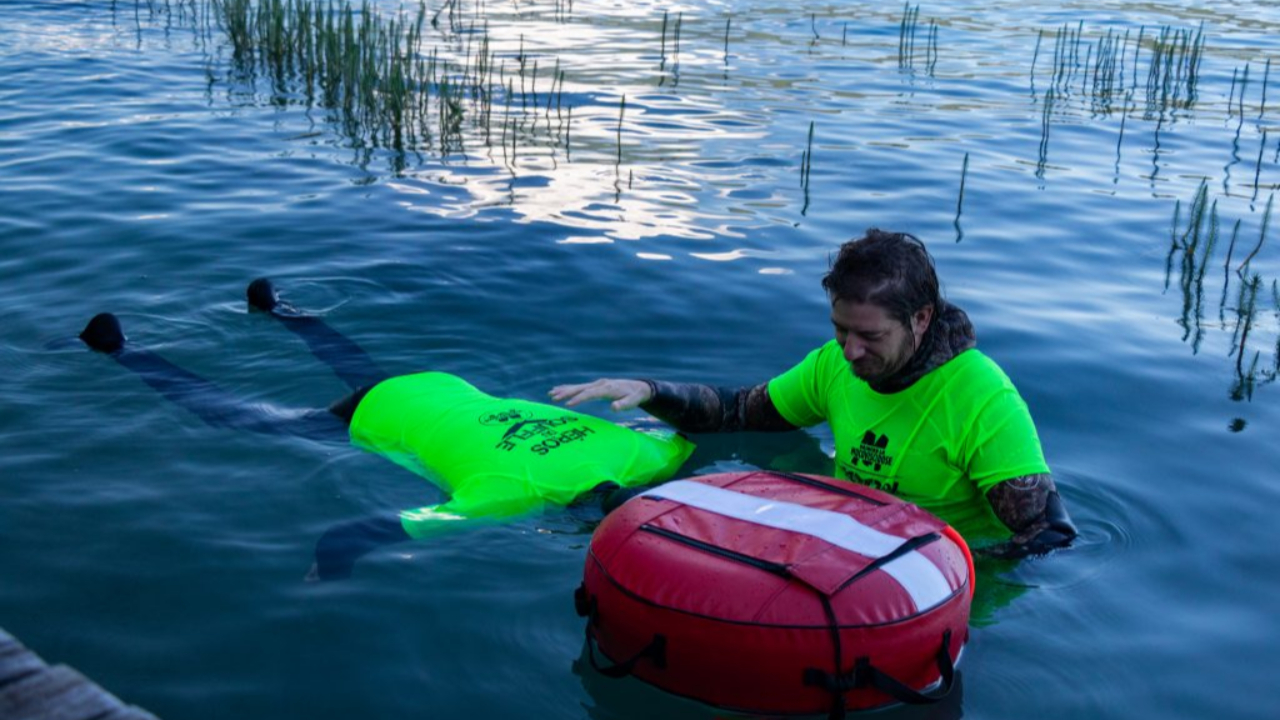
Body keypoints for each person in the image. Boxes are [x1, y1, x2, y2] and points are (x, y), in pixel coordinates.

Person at [79, 279, 694, 580]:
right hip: (372, 419)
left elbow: (688, 428)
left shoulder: (647, 455)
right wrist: (329, 573)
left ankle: (273, 306)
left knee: (354, 362)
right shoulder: (507, 495)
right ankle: (119, 351)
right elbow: (351, 534)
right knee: (238, 416)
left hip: (439, 387)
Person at [551, 229, 1076, 557]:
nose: (850, 352)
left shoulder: (982, 397)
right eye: (839, 330)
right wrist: (649, 390)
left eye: (869, 336)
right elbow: (739, 411)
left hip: (933, 588)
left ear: (920, 319)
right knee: (633, 514)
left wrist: (931, 564)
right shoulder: (833, 366)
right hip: (845, 547)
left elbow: (1049, 535)